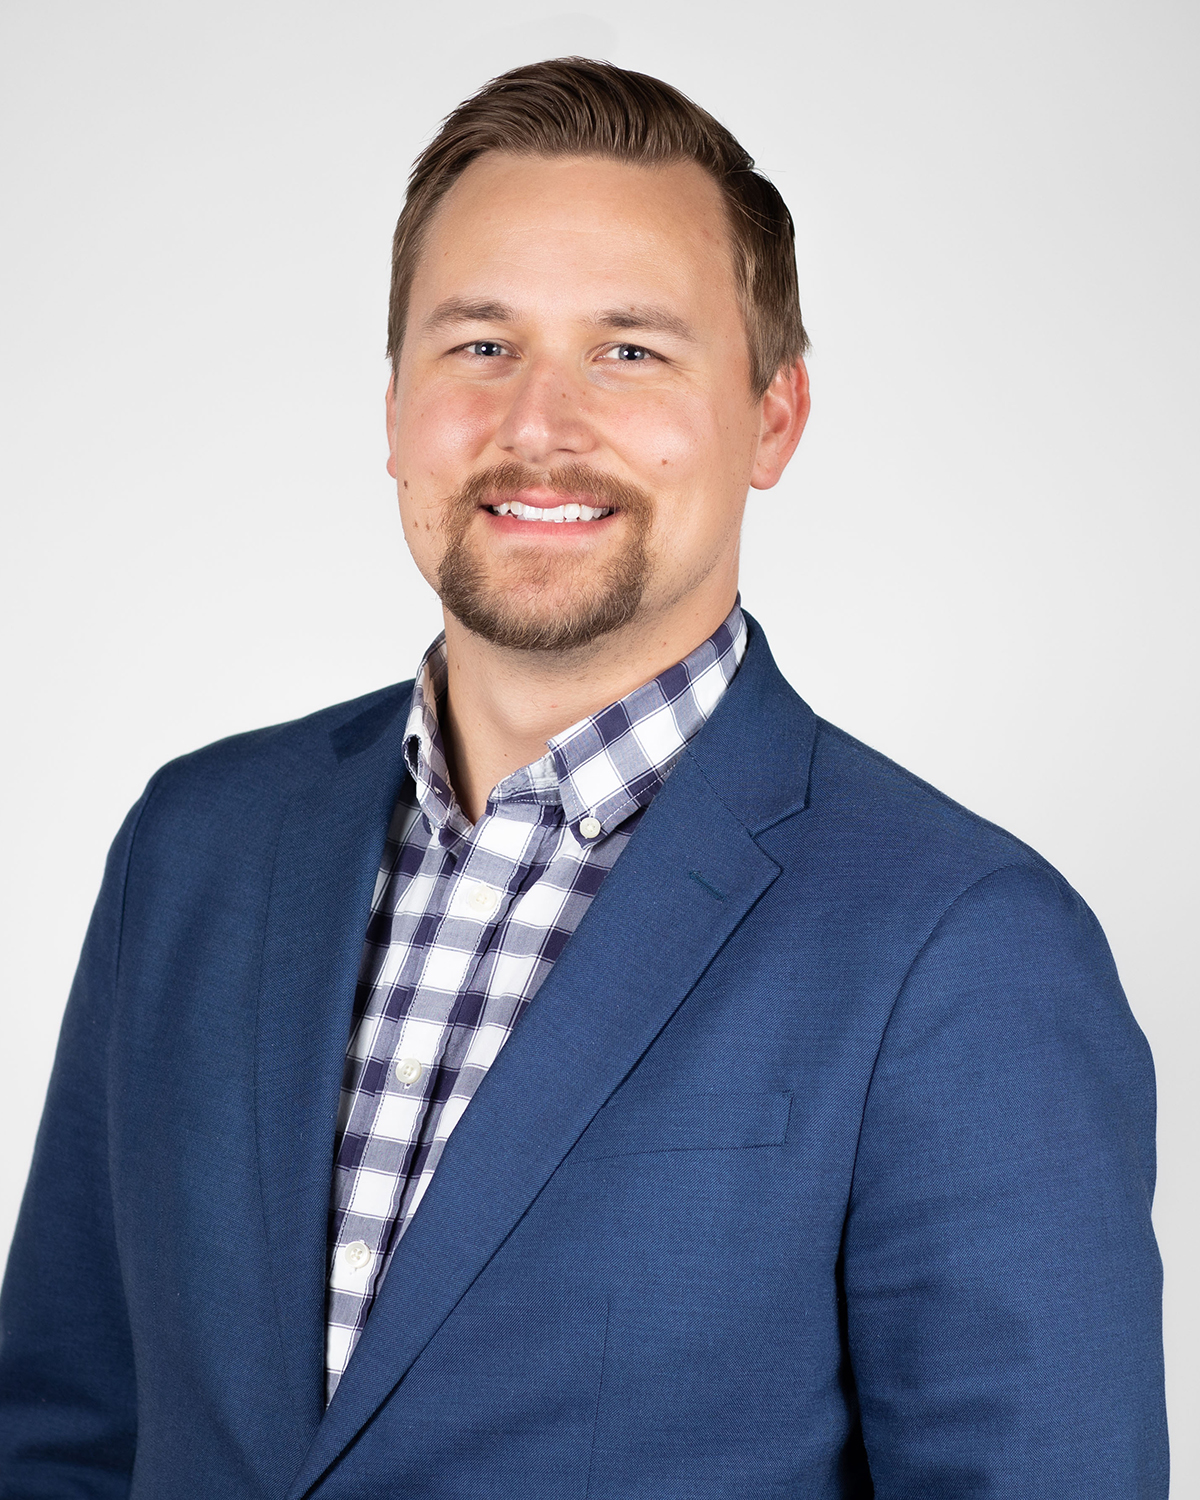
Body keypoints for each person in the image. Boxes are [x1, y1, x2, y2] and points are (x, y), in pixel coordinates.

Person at [0, 57, 1167, 1499]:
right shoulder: (195, 847)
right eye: (481, 344)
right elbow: (64, 1434)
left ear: (774, 417)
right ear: (394, 406)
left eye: (631, 351)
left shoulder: (967, 947)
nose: (539, 423)